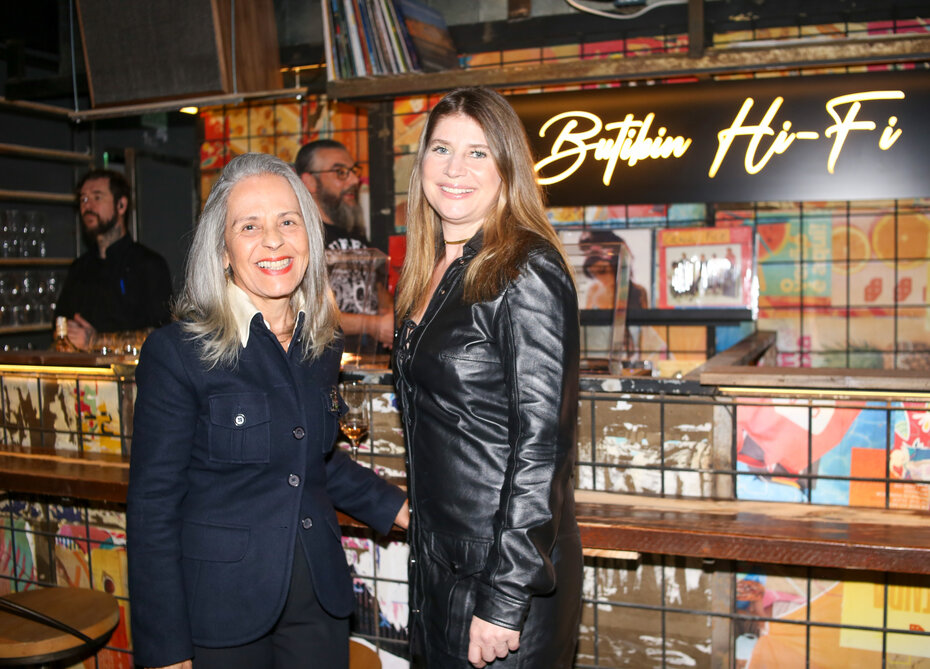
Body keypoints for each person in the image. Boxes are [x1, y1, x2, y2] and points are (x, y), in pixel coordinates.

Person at [127, 153, 409, 669]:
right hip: (221, 609)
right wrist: (165, 648)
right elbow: (153, 508)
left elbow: (314, 458)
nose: (273, 240)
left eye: (287, 221)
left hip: (318, 601)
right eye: (249, 226)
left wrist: (399, 506)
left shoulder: (321, 342)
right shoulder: (178, 352)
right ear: (224, 250)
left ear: (309, 237)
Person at [393, 87, 583, 668]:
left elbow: (542, 447)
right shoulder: (434, 266)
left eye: (478, 152)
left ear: (507, 166)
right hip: (442, 564)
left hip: (501, 577)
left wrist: (503, 599)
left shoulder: (526, 266)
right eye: (441, 148)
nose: (454, 169)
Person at [55, 169, 172, 350]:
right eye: (83, 199)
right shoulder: (79, 268)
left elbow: (164, 335)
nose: (88, 206)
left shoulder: (149, 264)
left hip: (132, 376)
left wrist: (95, 341)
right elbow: (59, 327)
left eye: (97, 197)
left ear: (121, 205)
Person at [295, 139, 394, 348]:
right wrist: (374, 325)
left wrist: (390, 315)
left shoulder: (356, 236)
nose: (353, 180)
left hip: (365, 363)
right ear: (309, 182)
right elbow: (303, 310)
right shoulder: (300, 237)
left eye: (353, 171)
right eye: (340, 172)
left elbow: (377, 287)